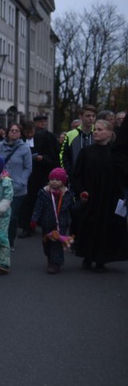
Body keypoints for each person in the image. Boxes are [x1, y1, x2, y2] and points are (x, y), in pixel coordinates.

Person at [71, 120, 128, 270]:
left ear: (109, 133)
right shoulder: (86, 152)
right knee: (88, 226)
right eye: (95, 129)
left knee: (106, 228)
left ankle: (101, 259)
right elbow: (77, 174)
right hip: (90, 196)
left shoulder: (116, 154)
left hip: (110, 197)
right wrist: (81, 190)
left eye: (100, 129)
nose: (95, 132)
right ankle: (87, 256)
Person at [30, 168, 75, 274]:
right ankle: (50, 257)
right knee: (47, 243)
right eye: (52, 179)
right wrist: (34, 219)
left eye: (57, 179)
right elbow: (38, 207)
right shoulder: (44, 193)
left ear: (63, 181)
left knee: (57, 243)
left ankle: (55, 263)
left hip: (61, 223)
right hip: (47, 223)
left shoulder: (67, 194)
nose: (54, 181)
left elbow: (72, 208)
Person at [19, 117, 59, 238]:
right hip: (25, 177)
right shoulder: (21, 140)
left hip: (40, 175)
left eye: (32, 132)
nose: (30, 135)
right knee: (26, 203)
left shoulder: (46, 138)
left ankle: (45, 226)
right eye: (27, 133)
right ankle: (27, 227)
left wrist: (43, 158)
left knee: (42, 202)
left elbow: (53, 156)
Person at [0, 122, 32, 250]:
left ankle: (9, 241)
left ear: (20, 133)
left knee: (12, 215)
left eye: (17, 131)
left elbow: (28, 167)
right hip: (1, 186)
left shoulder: (25, 148)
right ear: (7, 132)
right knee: (1, 214)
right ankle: (0, 239)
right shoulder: (0, 145)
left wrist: (21, 181)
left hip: (18, 188)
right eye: (12, 130)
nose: (14, 132)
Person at [60, 105, 96, 174]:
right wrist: (68, 171)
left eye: (93, 116)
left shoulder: (98, 132)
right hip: (76, 176)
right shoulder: (70, 134)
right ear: (81, 117)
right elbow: (63, 155)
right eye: (88, 116)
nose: (91, 118)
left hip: (95, 176)